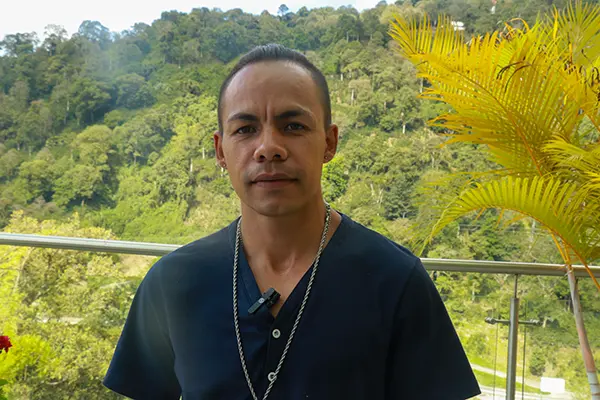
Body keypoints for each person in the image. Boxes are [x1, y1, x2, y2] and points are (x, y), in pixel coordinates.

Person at [103, 43, 481, 400]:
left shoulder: (395, 281)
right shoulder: (173, 284)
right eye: (245, 129)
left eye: (294, 126)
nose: (269, 148)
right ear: (220, 150)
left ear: (329, 142)